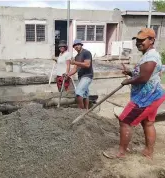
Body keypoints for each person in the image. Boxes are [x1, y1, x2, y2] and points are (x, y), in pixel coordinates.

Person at [105, 28, 165, 159]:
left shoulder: (151, 57)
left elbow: (143, 78)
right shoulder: (149, 55)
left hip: (145, 98)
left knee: (125, 121)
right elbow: (146, 74)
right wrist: (131, 73)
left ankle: (121, 153)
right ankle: (148, 152)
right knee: (148, 123)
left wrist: (129, 81)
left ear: (151, 40)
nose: (138, 43)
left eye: (142, 40)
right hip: (155, 95)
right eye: (137, 40)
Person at [67, 39, 93, 109]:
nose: (77, 46)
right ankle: (87, 110)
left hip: (87, 76)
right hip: (81, 76)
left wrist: (75, 62)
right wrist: (68, 74)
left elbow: (87, 64)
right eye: (75, 46)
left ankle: (80, 110)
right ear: (74, 47)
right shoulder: (77, 56)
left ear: (81, 45)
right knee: (85, 94)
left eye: (78, 45)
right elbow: (75, 69)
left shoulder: (86, 53)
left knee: (78, 92)